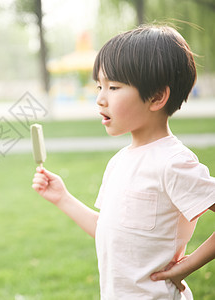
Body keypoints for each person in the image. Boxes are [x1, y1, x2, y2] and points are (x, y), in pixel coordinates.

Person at [32, 25, 215, 299]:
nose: (100, 98)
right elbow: (111, 233)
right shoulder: (119, 162)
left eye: (113, 87)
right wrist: (63, 198)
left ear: (156, 97)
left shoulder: (173, 163)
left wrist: (185, 267)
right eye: (99, 86)